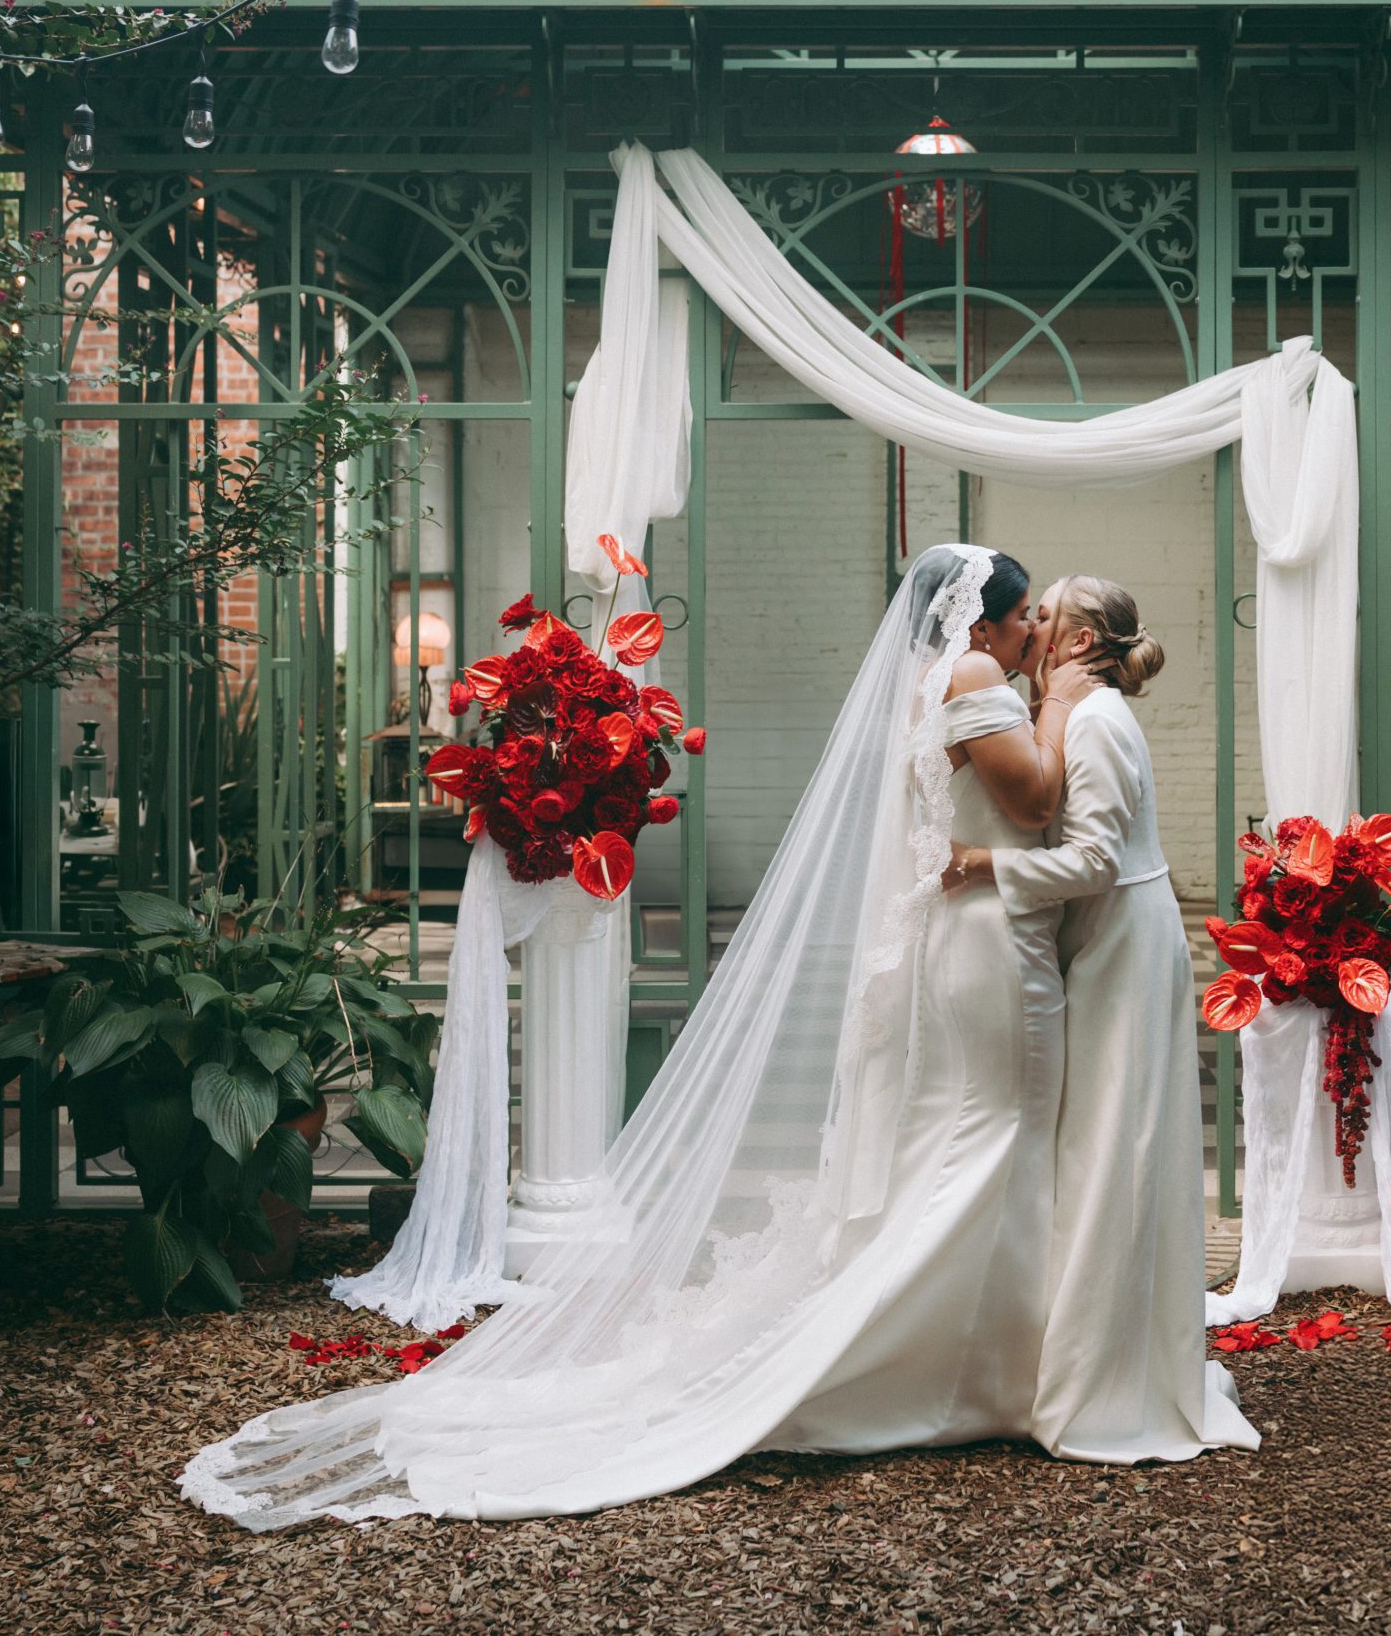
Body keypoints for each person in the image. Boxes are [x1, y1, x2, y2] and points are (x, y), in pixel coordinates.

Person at [181, 545, 1161, 1527]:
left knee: (966, 1143)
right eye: (1024, 615)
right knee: (994, 1138)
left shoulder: (930, 680)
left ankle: (980, 1350)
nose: (1035, 633)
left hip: (968, 938)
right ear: (977, 622)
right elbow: (1036, 803)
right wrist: (1066, 703)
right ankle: (957, 1365)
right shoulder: (980, 673)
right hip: (990, 946)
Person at [946, 574, 1260, 1464]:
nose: (1030, 626)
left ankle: (1105, 1382)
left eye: (1044, 615)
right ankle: (1090, 1356)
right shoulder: (1072, 714)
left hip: (1126, 948)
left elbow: (1092, 861)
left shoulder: (1097, 722)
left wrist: (980, 862)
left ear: (1080, 642)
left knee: (1116, 1149)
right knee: (1098, 1148)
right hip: (1107, 940)